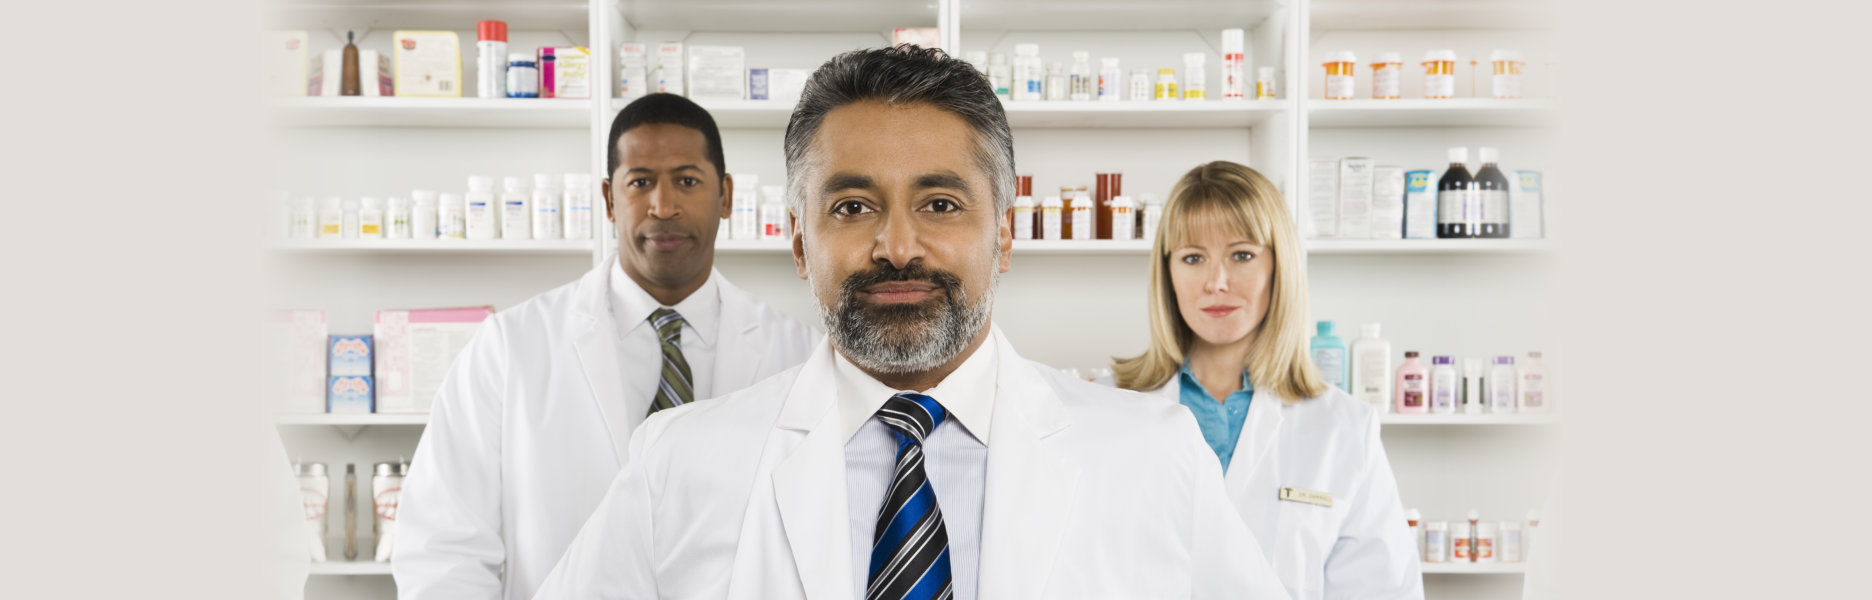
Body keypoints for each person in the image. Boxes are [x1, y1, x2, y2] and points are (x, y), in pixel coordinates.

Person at [531, 46, 1287, 600]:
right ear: (800, 241)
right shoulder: (679, 464)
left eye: (940, 205)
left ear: (1006, 235)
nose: (897, 247)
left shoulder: (1150, 458)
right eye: (853, 207)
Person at [392, 93, 819, 600]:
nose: (663, 205)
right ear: (609, 199)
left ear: (726, 196)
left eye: (687, 180)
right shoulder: (510, 347)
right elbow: (443, 548)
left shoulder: (799, 353)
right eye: (640, 182)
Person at [1109, 161, 1422, 599]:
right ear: (1169, 274)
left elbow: (1383, 590)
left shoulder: (1344, 429)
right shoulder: (1113, 415)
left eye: (1242, 255)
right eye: (1193, 257)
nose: (1217, 282)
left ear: (1280, 266)